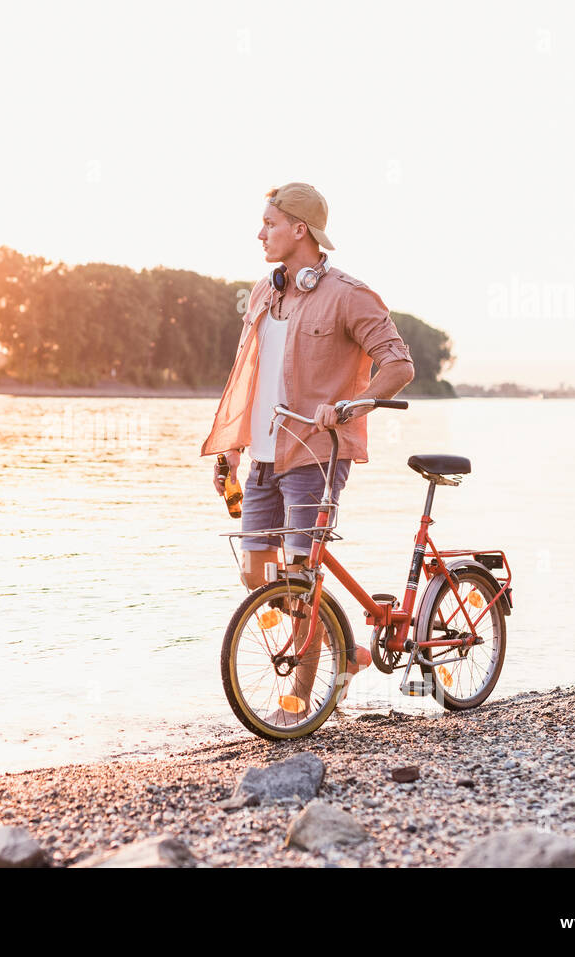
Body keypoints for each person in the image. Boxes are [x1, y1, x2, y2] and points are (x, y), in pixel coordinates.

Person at [202, 182, 415, 719]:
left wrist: (353, 405)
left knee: (300, 581)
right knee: (256, 575)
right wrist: (230, 448)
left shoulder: (349, 295)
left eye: (269, 223)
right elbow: (248, 375)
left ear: (300, 229)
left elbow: (398, 364)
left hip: (315, 456)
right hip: (263, 456)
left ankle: (299, 702)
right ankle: (343, 651)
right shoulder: (262, 292)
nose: (260, 233)